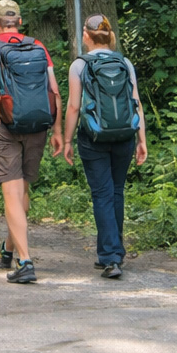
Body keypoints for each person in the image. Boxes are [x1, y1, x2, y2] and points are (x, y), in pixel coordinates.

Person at [0, 0, 62, 284]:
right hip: (38, 125)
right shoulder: (38, 47)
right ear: (19, 22)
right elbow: (54, 91)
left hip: (4, 124)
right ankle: (9, 249)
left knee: (12, 193)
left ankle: (25, 260)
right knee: (22, 191)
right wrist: (57, 131)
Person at [61, 14, 147, 279]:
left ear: (86, 35)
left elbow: (74, 107)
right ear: (109, 36)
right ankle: (111, 252)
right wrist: (142, 139)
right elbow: (136, 102)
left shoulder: (79, 65)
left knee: (102, 194)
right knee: (116, 192)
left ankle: (111, 258)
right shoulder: (124, 62)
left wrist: (66, 140)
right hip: (124, 135)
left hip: (94, 136)